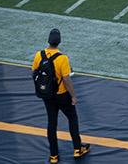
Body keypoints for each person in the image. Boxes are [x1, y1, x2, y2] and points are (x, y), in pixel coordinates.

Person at [32, 29, 89, 162]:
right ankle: (77, 149)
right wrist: (73, 96)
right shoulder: (62, 58)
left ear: (48, 40)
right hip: (62, 95)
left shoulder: (39, 55)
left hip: (47, 95)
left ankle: (53, 155)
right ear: (59, 42)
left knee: (51, 123)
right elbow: (66, 80)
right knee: (72, 119)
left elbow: (35, 72)